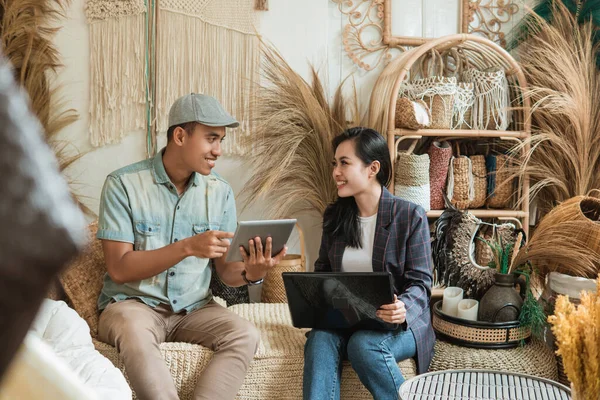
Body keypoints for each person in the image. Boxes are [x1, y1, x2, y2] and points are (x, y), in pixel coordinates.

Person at [96, 93, 287, 400]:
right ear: (180, 135)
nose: (218, 151)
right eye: (211, 139)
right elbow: (119, 269)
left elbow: (226, 273)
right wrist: (187, 247)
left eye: (221, 140)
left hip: (195, 308)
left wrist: (252, 272)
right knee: (133, 333)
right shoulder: (123, 185)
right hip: (133, 304)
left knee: (245, 334)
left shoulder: (220, 192)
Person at [303, 127, 435, 400]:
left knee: (364, 345)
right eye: (334, 163)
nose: (336, 172)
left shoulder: (410, 216)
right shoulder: (334, 216)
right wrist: (315, 302)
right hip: (344, 318)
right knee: (319, 339)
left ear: (372, 168)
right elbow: (323, 272)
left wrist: (403, 308)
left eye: (344, 163)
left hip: (397, 324)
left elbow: (421, 283)